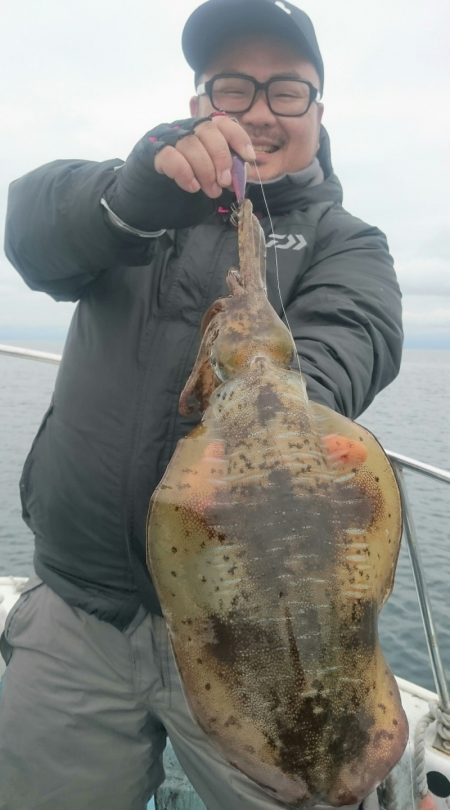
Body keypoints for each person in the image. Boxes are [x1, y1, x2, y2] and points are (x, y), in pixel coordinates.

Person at [0, 0, 402, 808]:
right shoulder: (134, 210)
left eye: (286, 91)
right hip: (81, 610)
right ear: (198, 105)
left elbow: (355, 334)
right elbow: (32, 226)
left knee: (308, 776)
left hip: (259, 627)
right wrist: (127, 197)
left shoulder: (347, 241)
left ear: (318, 113)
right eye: (233, 88)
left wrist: (273, 407)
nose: (259, 111)